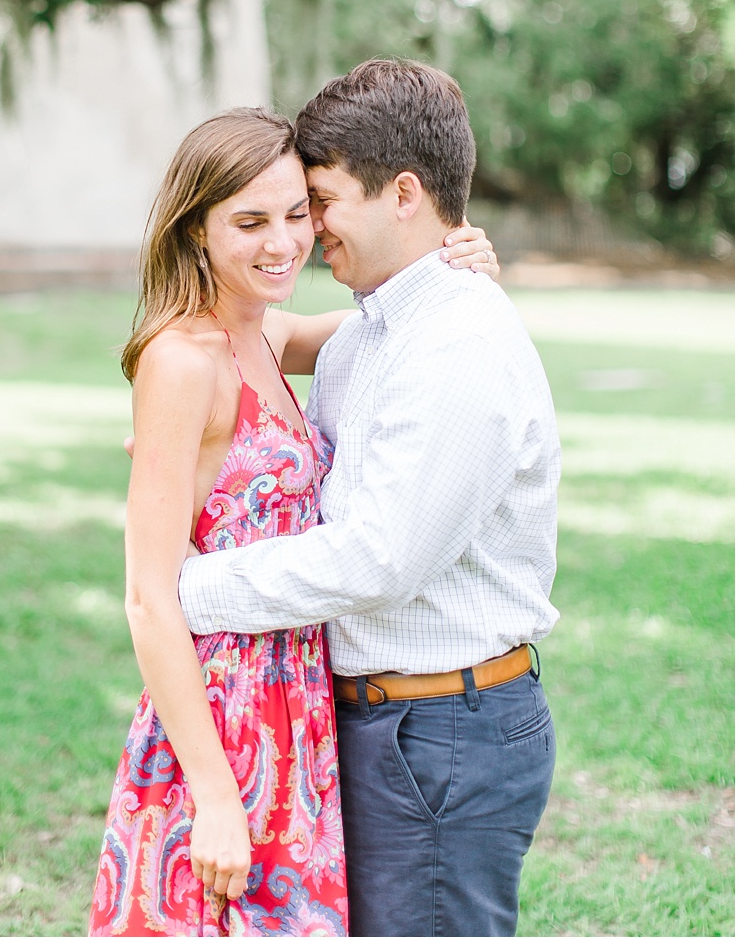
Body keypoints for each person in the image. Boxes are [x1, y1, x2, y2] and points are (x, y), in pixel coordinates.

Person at [88, 103, 501, 937]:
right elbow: (147, 597)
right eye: (249, 221)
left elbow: (394, 328)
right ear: (194, 228)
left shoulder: (266, 334)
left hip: (300, 707)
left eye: (296, 212)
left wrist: (457, 265)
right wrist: (212, 795)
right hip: (224, 717)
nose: (283, 241)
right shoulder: (181, 361)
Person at [174, 60, 560, 938]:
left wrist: (186, 588)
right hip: (374, 725)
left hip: (439, 734)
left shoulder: (457, 341)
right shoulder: (376, 324)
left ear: (405, 194)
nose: (306, 229)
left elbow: (376, 557)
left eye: (320, 199)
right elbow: (237, 332)